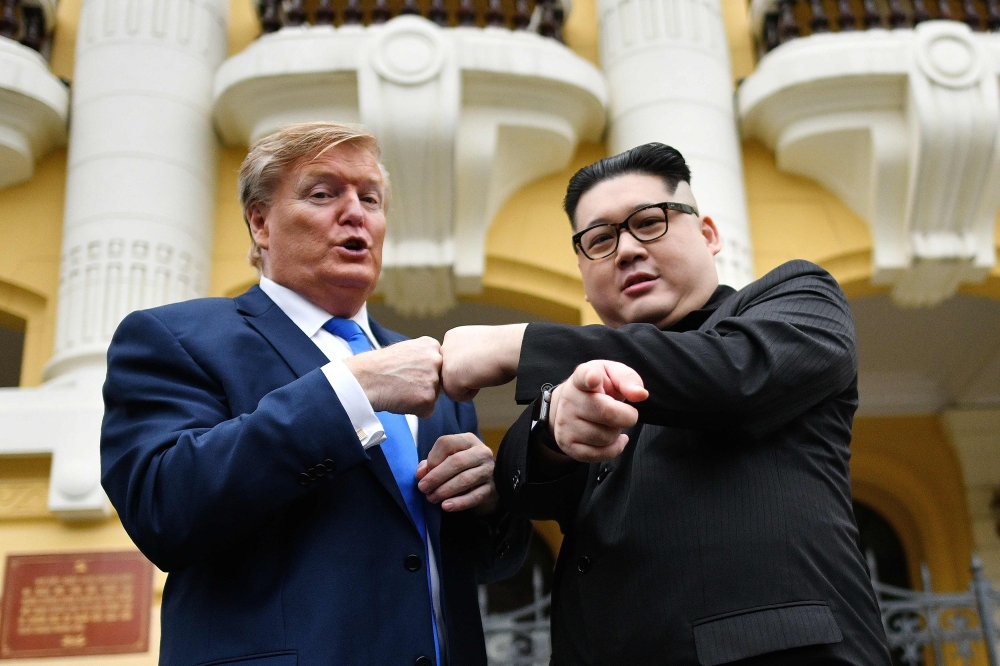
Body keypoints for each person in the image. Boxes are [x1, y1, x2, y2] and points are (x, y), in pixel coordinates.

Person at [440, 143, 892, 665]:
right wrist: (552, 433)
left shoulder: (799, 298)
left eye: (650, 222)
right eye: (600, 240)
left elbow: (731, 375)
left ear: (709, 235)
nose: (627, 250)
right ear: (584, 278)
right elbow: (521, 482)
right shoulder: (577, 376)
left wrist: (516, 345)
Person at [100, 122, 530, 666]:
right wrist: (352, 389)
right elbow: (163, 509)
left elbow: (487, 563)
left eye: (370, 198)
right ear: (260, 222)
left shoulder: (431, 371)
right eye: (323, 194)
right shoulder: (176, 337)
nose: (355, 213)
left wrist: (491, 500)